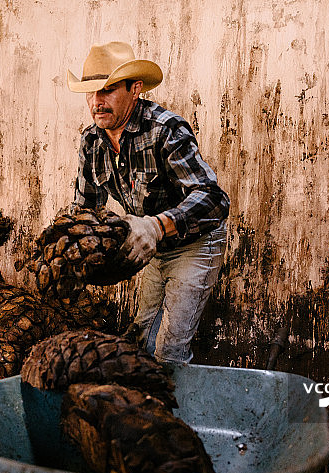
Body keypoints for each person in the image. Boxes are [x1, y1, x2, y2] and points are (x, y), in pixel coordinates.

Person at [68, 41, 230, 364]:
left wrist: (156, 226)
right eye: (91, 92)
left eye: (109, 90)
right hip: (153, 246)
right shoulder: (92, 141)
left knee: (170, 350)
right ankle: (138, 411)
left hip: (196, 243)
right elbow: (84, 210)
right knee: (139, 340)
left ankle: (177, 412)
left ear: (135, 89)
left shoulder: (165, 129)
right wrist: (69, 250)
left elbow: (214, 199)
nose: (97, 102)